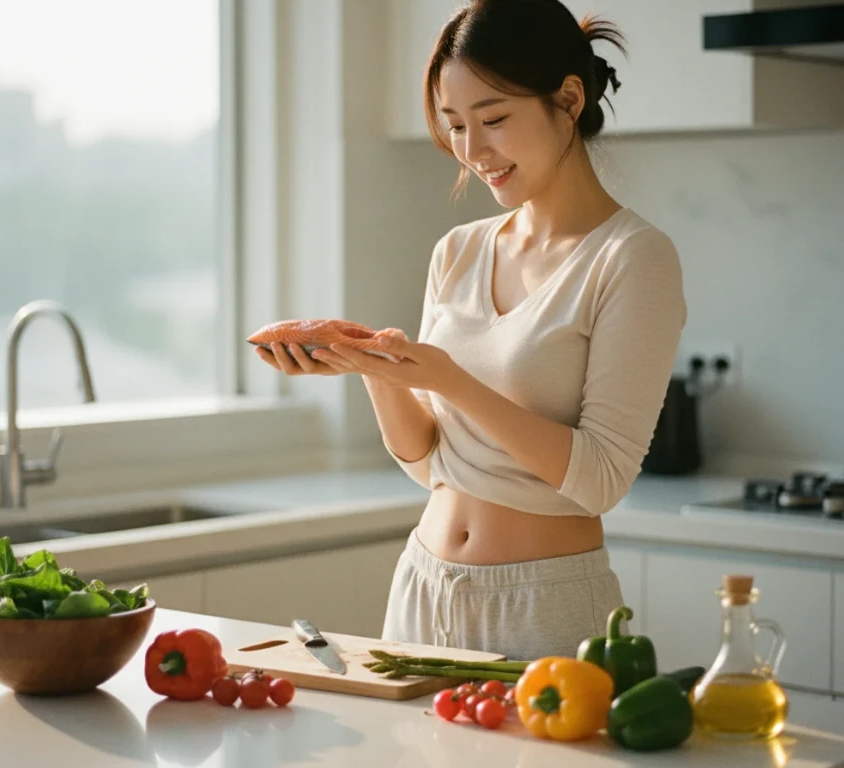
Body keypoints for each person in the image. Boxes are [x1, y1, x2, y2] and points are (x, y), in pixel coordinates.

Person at [254, 0, 686, 661]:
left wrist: (448, 379)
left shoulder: (630, 258)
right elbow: (431, 465)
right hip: (422, 587)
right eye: (454, 125)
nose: (471, 150)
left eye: (493, 119)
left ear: (567, 99)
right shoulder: (457, 251)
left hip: (545, 609)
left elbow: (600, 480)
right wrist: (376, 369)